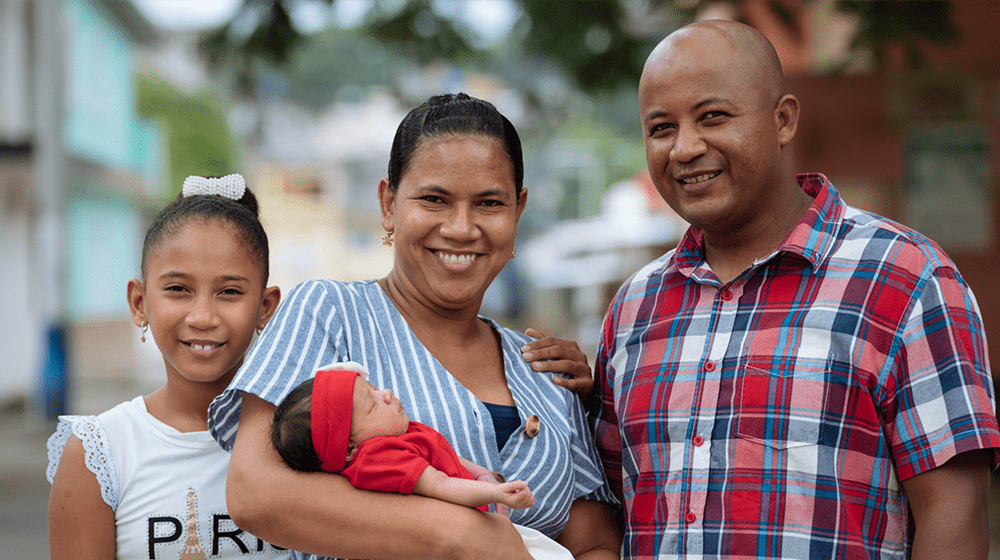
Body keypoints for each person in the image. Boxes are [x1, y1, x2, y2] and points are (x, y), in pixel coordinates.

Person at [589, 19, 1000, 560]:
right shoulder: (635, 308)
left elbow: (954, 517)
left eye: (712, 117)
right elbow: (612, 508)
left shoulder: (906, 280)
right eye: (661, 128)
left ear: (783, 120)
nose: (685, 148)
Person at [209, 93, 622, 560]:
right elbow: (257, 494)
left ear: (517, 213)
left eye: (489, 203)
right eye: (434, 199)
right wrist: (464, 537)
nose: (461, 228)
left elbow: (595, 542)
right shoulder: (330, 313)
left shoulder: (545, 369)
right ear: (388, 203)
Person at [46, 175, 284, 559]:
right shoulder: (99, 454)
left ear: (265, 307)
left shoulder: (303, 435)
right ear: (140, 302)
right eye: (178, 289)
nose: (203, 316)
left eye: (230, 292)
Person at [270, 362, 574, 560]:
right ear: (349, 448)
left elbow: (446, 458)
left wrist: (481, 475)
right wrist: (494, 492)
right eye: (371, 403)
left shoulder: (397, 436)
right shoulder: (377, 459)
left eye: (375, 389)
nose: (386, 394)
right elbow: (440, 484)